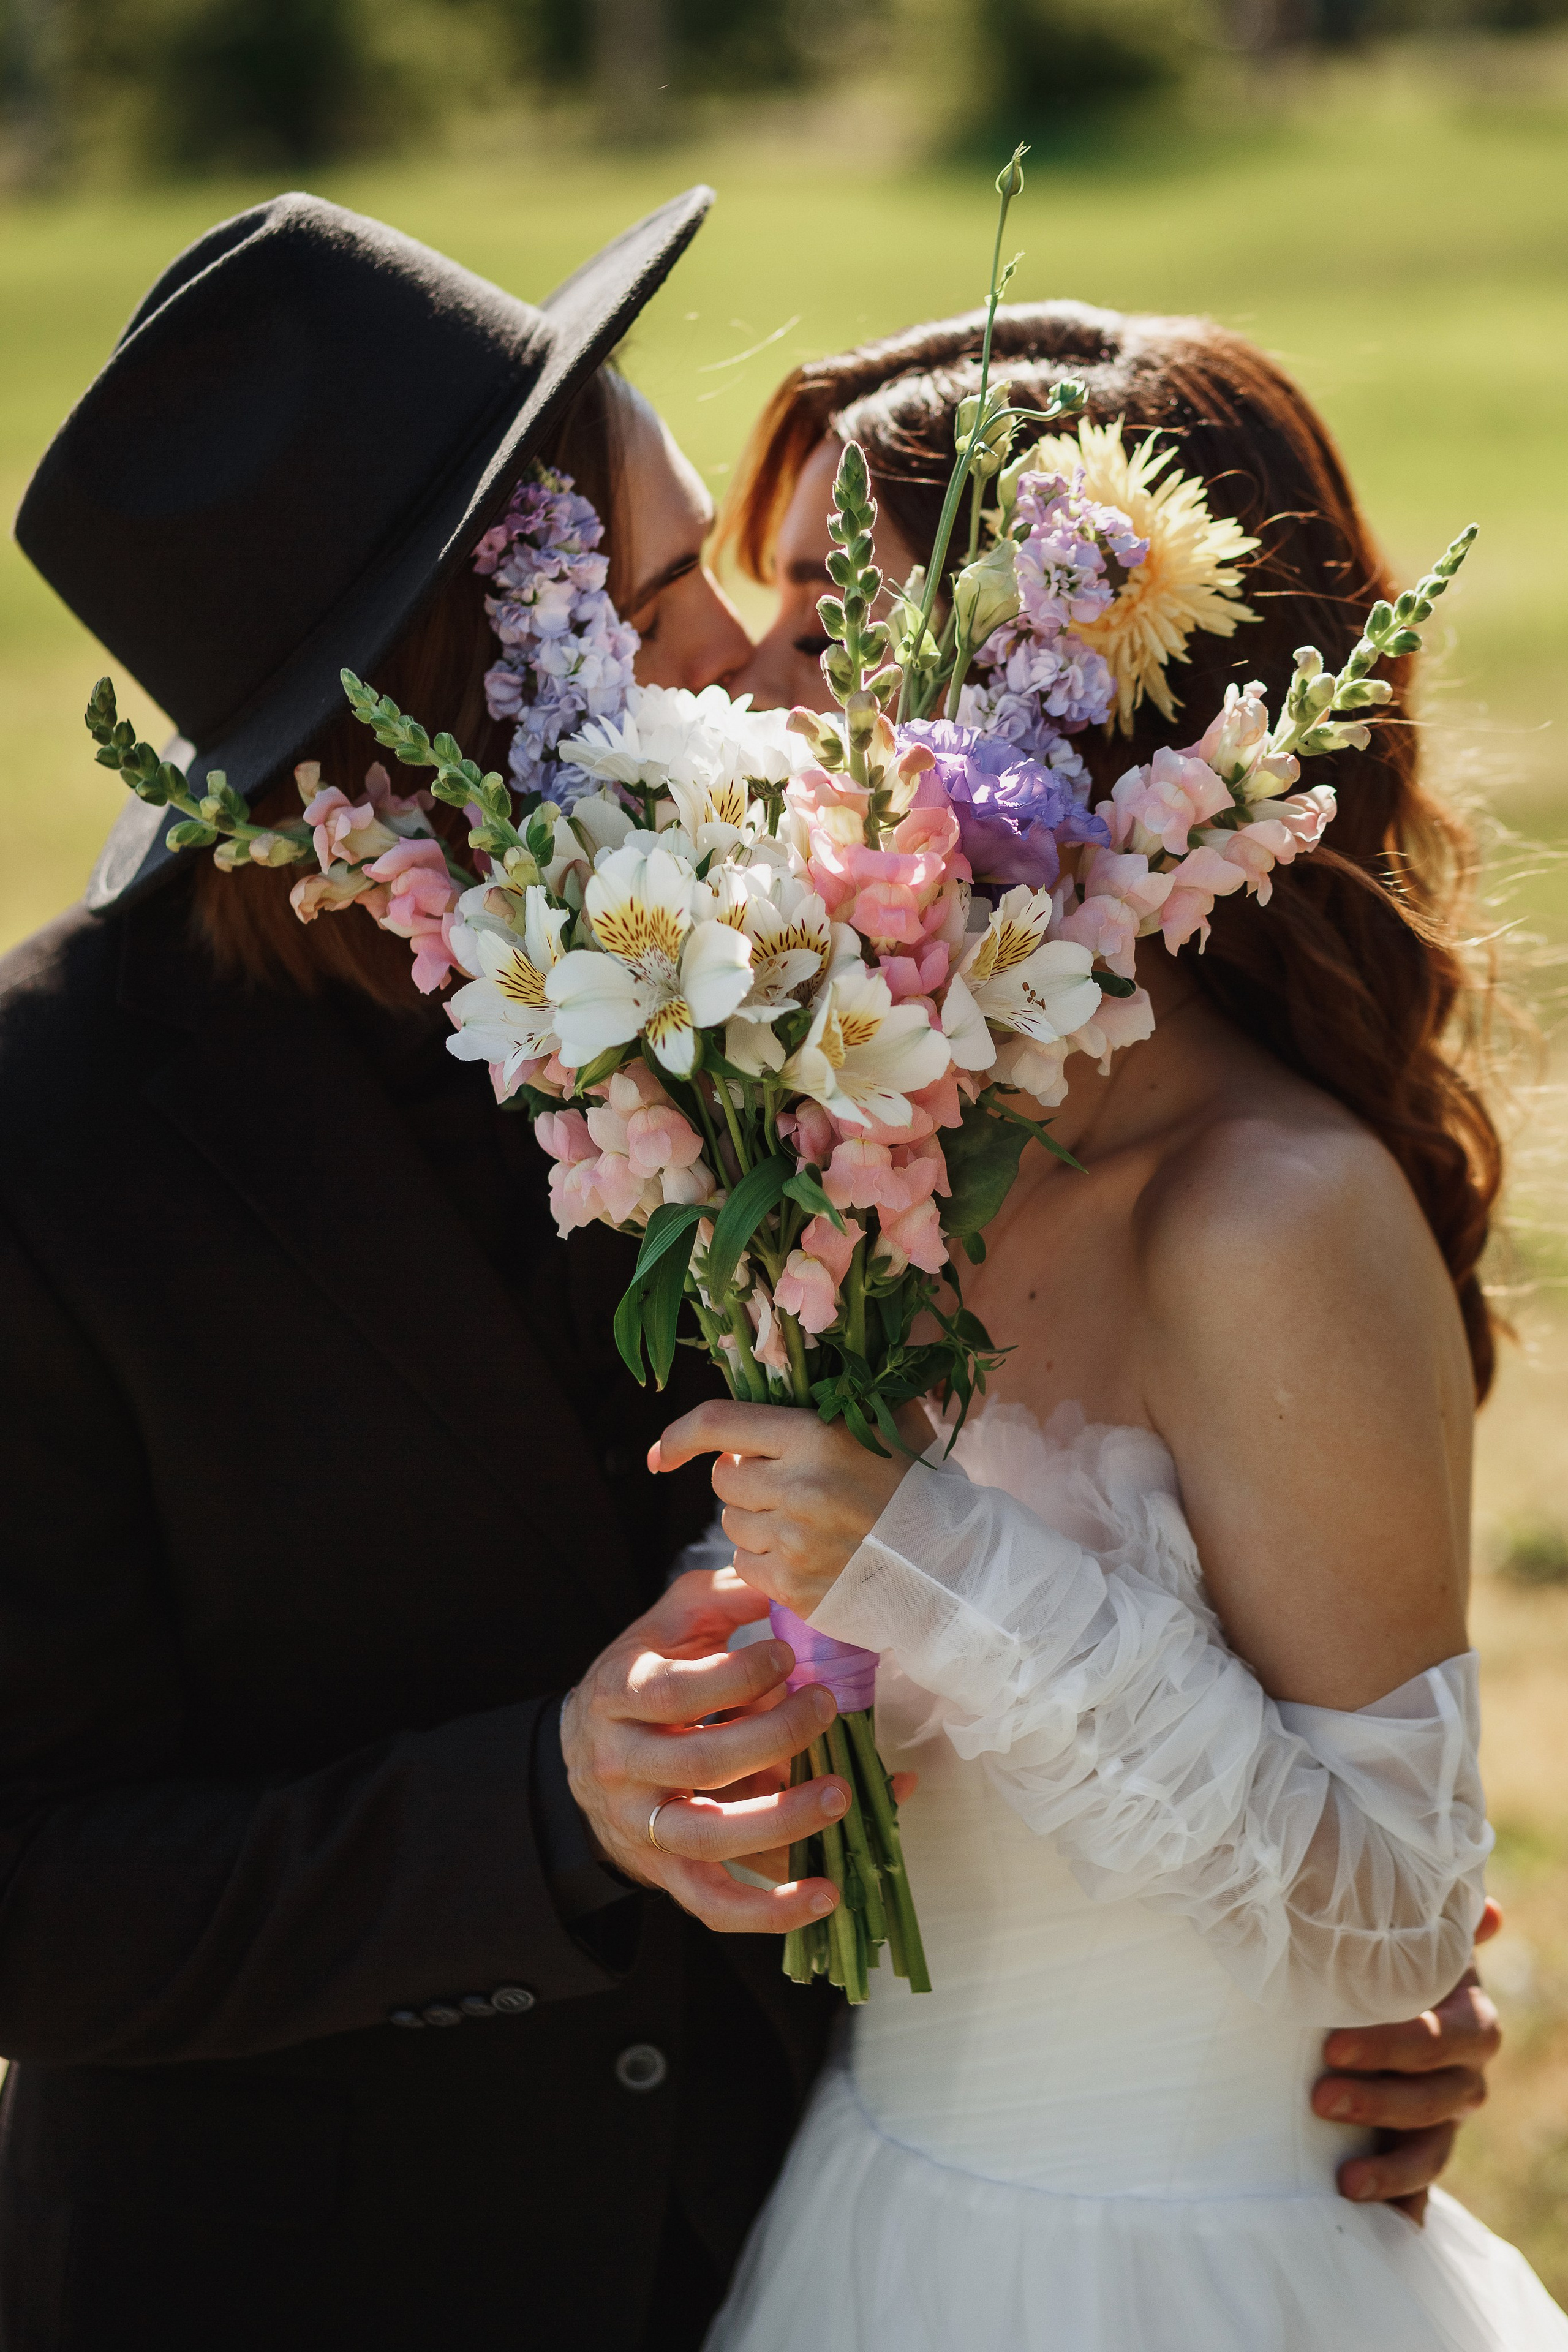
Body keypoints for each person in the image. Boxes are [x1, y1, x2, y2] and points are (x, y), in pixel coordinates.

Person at [639, 303, 1565, 2348]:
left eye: (824, 622)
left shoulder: (1270, 1213)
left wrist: (927, 1568)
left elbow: (1397, 1913)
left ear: (1037, 695)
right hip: (874, 2218)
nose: (747, 686)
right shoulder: (849, 1133)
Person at [0, 185, 850, 2352]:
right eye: (668, 595)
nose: (749, 651)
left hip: (832, 2238)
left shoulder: (785, 974)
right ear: (483, 682)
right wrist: (541, 1808)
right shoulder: (55, 1137)